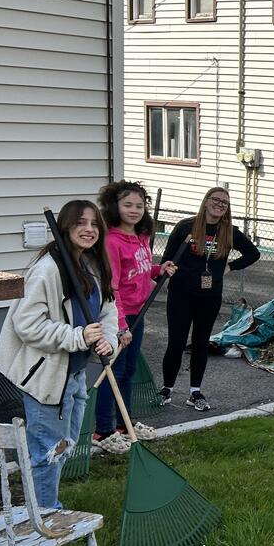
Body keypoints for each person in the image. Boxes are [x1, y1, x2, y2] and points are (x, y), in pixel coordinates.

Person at [0, 200, 118, 511]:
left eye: (94, 224)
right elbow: (27, 325)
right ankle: (44, 519)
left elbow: (107, 311)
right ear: (64, 227)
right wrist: (77, 337)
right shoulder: (47, 270)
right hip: (46, 378)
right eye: (80, 223)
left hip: (73, 376)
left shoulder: (91, 264)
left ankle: (47, 507)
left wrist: (108, 340)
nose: (88, 229)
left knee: (64, 447)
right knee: (47, 452)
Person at [159, 187, 260, 411]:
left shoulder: (229, 231)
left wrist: (230, 267)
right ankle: (167, 388)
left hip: (209, 296)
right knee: (176, 342)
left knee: (200, 343)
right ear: (206, 202)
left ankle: (195, 391)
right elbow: (167, 258)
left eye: (224, 202)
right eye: (215, 200)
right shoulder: (186, 226)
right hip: (181, 294)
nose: (219, 204)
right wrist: (168, 271)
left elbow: (253, 253)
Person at [95, 181, 175, 453]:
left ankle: (124, 424)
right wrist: (119, 327)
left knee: (127, 371)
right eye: (127, 205)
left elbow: (140, 269)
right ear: (114, 206)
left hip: (137, 314)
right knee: (113, 373)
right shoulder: (111, 240)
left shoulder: (140, 236)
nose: (134, 210)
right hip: (120, 316)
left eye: (139, 205)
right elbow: (112, 287)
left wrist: (158, 269)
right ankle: (103, 431)